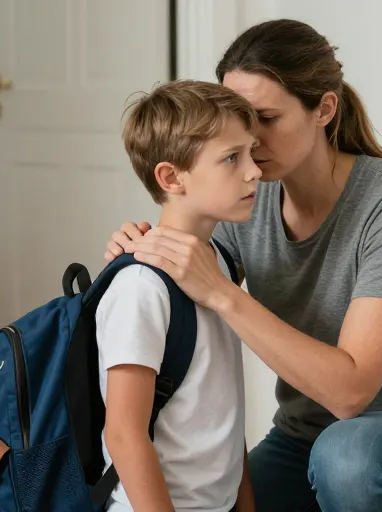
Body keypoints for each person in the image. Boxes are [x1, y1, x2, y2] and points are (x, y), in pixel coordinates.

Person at [105, 19, 382, 512]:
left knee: (348, 457)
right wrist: (146, 250)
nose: (250, 139)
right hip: (301, 438)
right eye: (241, 118)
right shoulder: (246, 198)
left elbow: (350, 395)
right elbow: (190, 262)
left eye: (266, 117)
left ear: (324, 108)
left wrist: (221, 290)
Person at [96, 79, 261, 512]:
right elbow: (123, 433)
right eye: (231, 158)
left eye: (251, 151)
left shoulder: (218, 265)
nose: (254, 170)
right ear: (171, 177)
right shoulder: (142, 288)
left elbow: (222, 410)